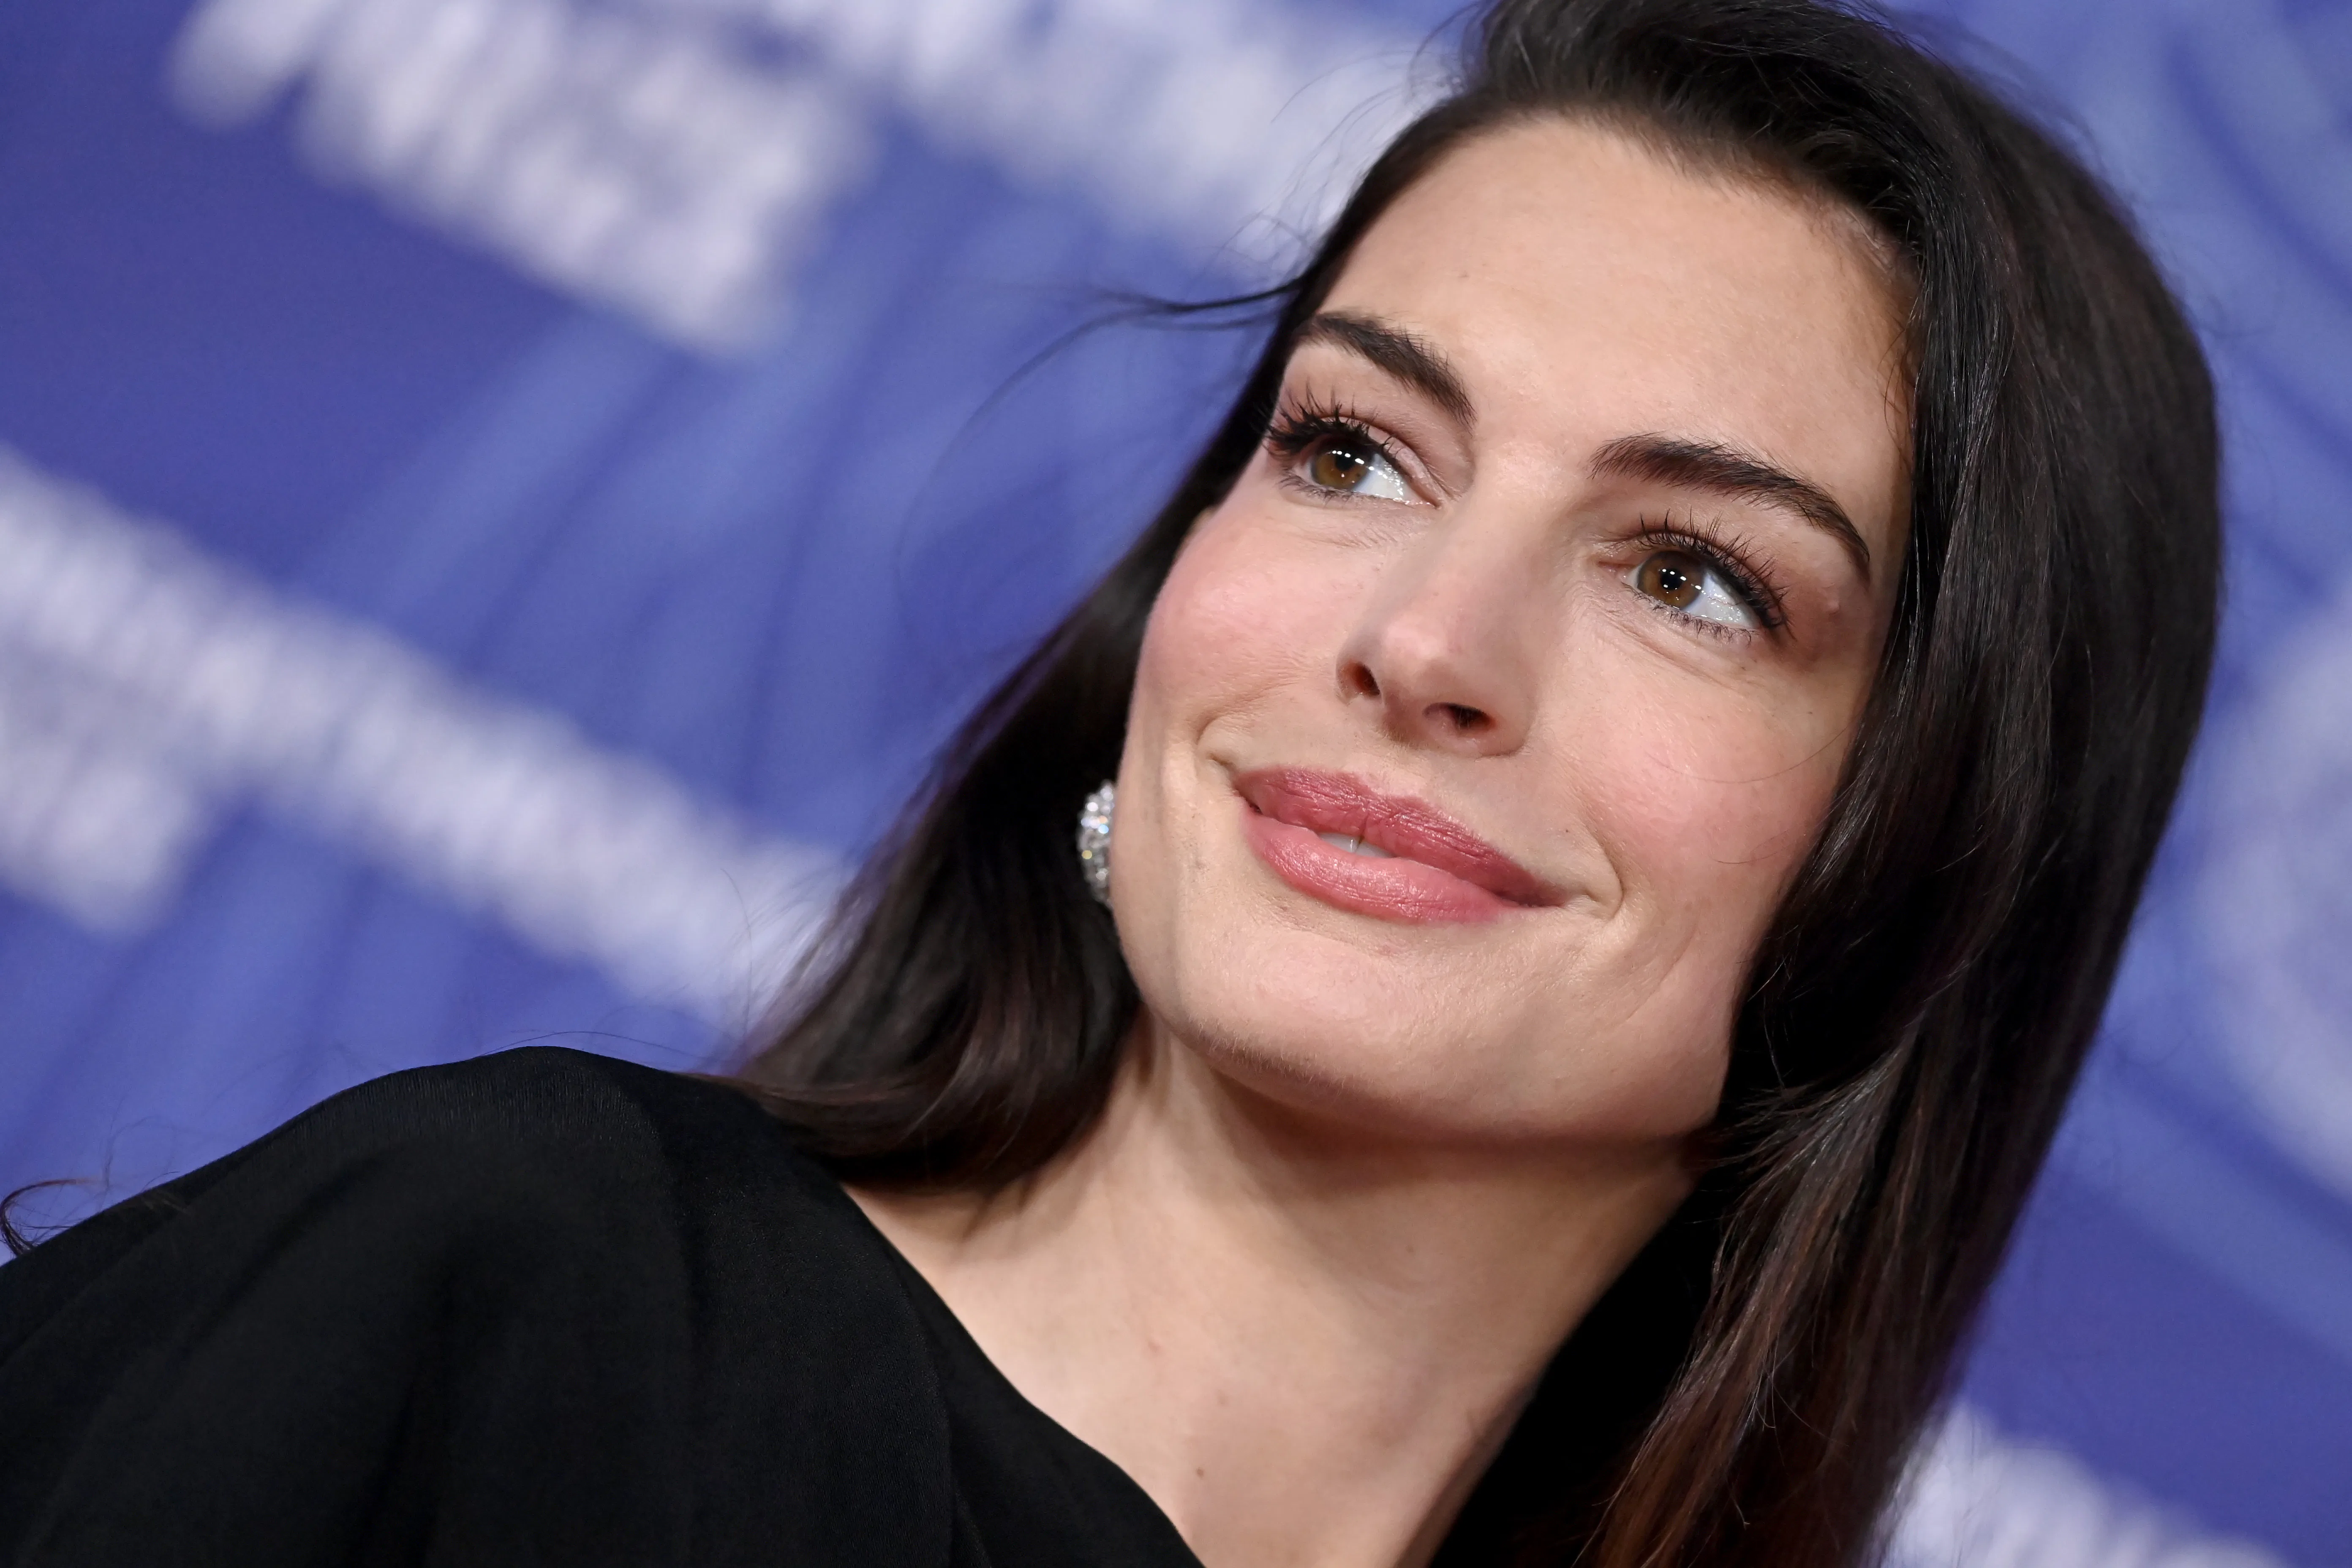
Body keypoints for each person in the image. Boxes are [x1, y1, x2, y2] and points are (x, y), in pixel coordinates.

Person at [0, 0, 2218, 1563]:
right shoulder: (518, 1313)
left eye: (1696, 581)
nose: (1427, 646)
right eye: (1352, 451)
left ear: (1934, 855)